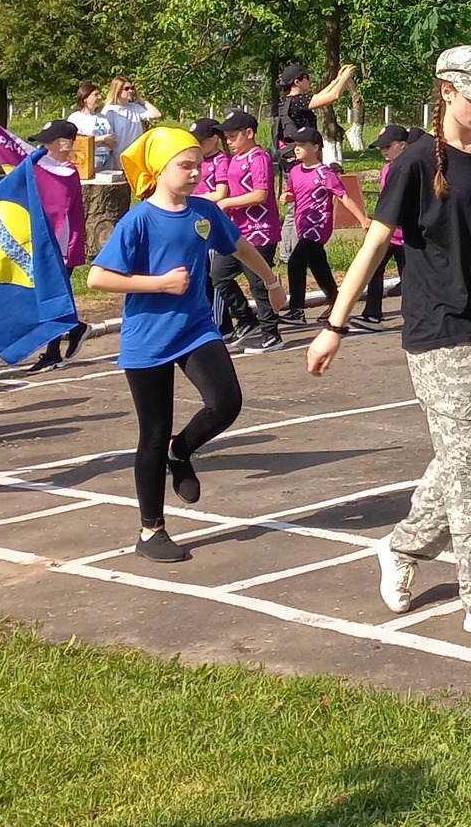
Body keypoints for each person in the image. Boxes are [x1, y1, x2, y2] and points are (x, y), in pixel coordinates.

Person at [307, 44, 471, 641]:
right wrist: (335, 325)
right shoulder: (416, 161)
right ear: (446, 91)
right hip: (440, 332)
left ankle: (401, 546)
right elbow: (373, 246)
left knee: (469, 459)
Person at [88, 127, 286, 563]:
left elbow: (241, 245)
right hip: (148, 339)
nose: (195, 172)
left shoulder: (204, 211)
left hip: (196, 329)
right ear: (159, 169)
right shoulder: (139, 219)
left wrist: (271, 282)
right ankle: (150, 531)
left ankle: (181, 451)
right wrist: (158, 283)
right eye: (185, 165)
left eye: (199, 164)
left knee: (226, 402)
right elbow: (98, 278)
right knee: (152, 433)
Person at [210, 109, 283, 353]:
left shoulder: (259, 157)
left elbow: (260, 194)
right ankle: (246, 318)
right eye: (227, 138)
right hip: (237, 231)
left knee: (258, 282)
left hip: (260, 231)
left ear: (249, 133)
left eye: (233, 137)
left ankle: (271, 333)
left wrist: (227, 203)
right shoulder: (235, 158)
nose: (229, 142)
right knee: (219, 275)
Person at [285, 130, 367, 324]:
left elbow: (343, 196)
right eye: (295, 145)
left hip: (318, 226)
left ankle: (297, 311)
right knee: (318, 265)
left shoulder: (325, 173)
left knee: (295, 262)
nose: (297, 149)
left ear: (315, 147)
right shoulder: (294, 171)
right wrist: (287, 196)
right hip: (302, 224)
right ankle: (336, 302)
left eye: (302, 145)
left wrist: (363, 219)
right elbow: (293, 191)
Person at [28, 120, 89, 369]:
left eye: (47, 142)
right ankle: (73, 330)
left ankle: (54, 349)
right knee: (51, 296)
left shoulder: (65, 172)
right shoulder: (44, 167)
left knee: (53, 296)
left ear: (64, 144)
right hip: (48, 242)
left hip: (61, 244)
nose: (41, 146)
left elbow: (57, 209)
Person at [360, 124, 415, 327]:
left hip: (408, 235)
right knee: (374, 269)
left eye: (388, 146)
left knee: (409, 279)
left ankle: (415, 317)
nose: (383, 151)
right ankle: (372, 314)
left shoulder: (412, 168)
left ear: (403, 145)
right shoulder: (386, 169)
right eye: (381, 147)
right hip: (388, 233)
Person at [271, 59, 358, 169]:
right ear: (297, 82)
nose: (309, 80)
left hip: (294, 156)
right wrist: (345, 77)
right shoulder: (298, 101)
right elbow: (333, 96)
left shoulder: (289, 101)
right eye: (306, 77)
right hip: (304, 157)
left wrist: (338, 79)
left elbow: (321, 95)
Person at [102, 77, 163, 164]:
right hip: (119, 158)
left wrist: (141, 100)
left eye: (132, 88)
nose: (130, 91)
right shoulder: (110, 111)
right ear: (117, 90)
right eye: (127, 89)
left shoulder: (135, 108)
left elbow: (156, 114)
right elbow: (108, 136)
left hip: (136, 156)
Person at [69, 82, 117, 179]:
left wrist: (110, 141)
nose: (99, 97)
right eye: (96, 94)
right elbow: (76, 142)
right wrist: (102, 139)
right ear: (85, 98)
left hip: (107, 157)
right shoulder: (76, 118)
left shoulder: (103, 117)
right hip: (90, 158)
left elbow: (112, 139)